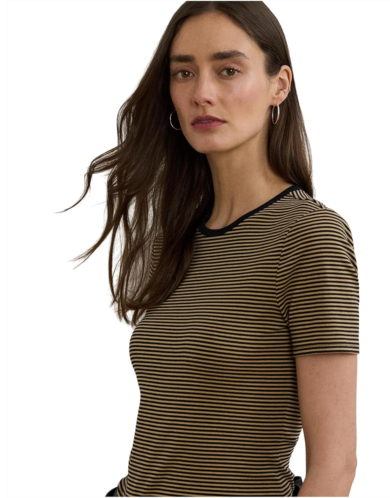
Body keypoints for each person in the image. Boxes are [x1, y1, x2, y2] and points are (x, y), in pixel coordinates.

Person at [65, 2, 359, 496]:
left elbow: (336, 466)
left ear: (279, 85)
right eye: (184, 72)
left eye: (228, 70)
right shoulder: (175, 235)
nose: (201, 93)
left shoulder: (310, 237)